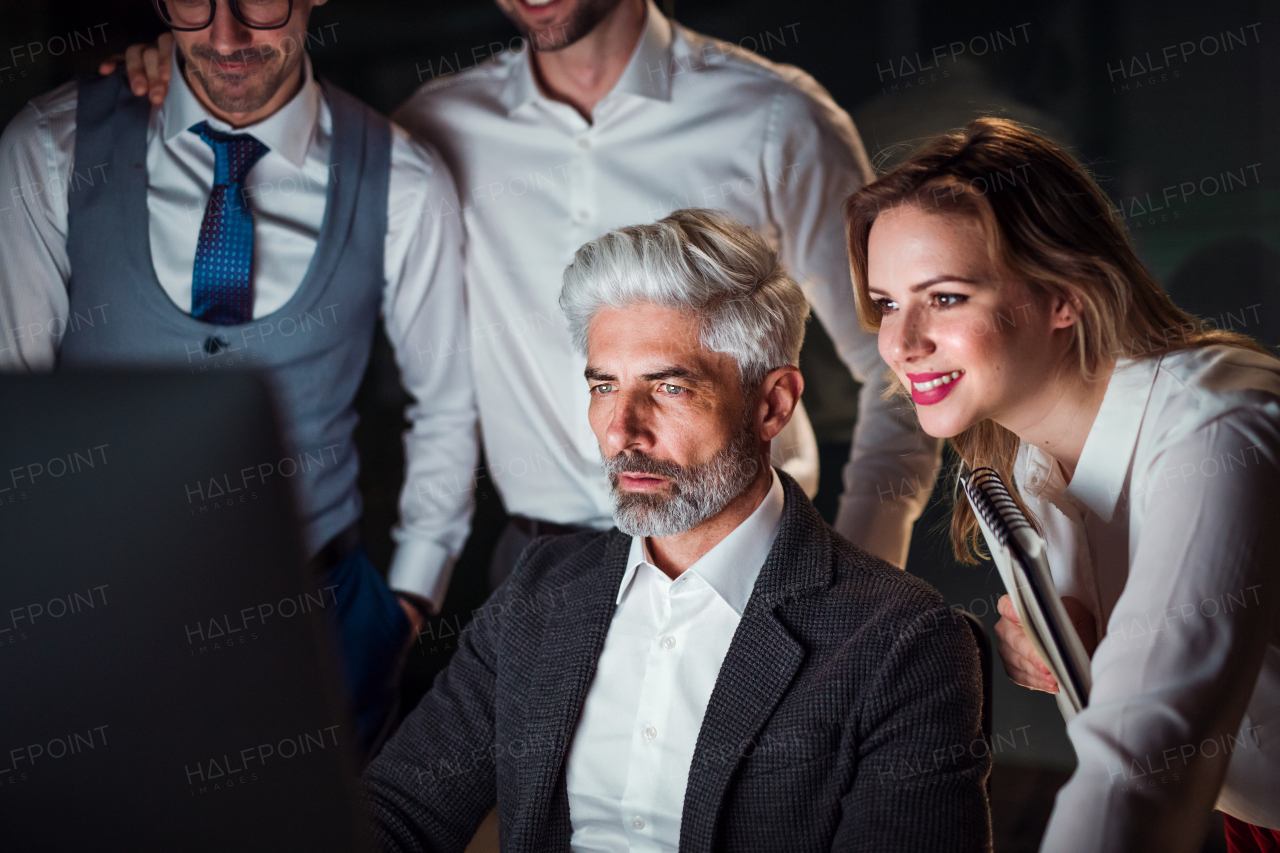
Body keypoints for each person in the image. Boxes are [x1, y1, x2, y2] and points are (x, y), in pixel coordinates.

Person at [108, 0, 942, 606]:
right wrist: (176, 71)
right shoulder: (433, 129)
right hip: (534, 574)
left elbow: (899, 364)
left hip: (747, 563)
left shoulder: (775, 120)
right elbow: (273, 138)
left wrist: (866, 568)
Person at [363, 208, 990, 852]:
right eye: (604, 385)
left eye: (669, 388)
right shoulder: (542, 588)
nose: (620, 430)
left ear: (773, 404)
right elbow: (400, 812)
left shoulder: (902, 642)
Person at [0, 0, 477, 756]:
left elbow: (447, 402)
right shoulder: (48, 147)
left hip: (324, 612)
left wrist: (403, 606)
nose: (226, 37)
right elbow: (14, 413)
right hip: (101, 616)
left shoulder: (405, 177)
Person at [847, 116, 1280, 852]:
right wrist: (1066, 645)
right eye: (887, 301)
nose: (899, 341)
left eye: (945, 297)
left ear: (1063, 294)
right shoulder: (1015, 461)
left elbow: (1141, 759)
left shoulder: (1216, 429)